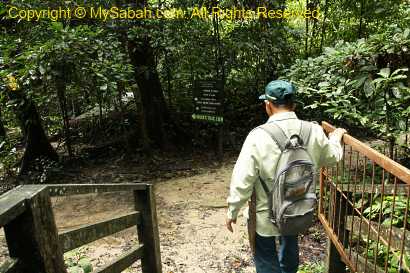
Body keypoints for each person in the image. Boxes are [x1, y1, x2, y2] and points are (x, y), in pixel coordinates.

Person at [225, 80, 347, 273]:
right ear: (294, 105)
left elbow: (243, 180)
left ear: (268, 105)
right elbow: (332, 157)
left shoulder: (258, 136)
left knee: (265, 258)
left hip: (266, 216)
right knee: (290, 243)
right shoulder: (313, 130)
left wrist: (232, 211)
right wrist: (335, 138)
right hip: (298, 208)